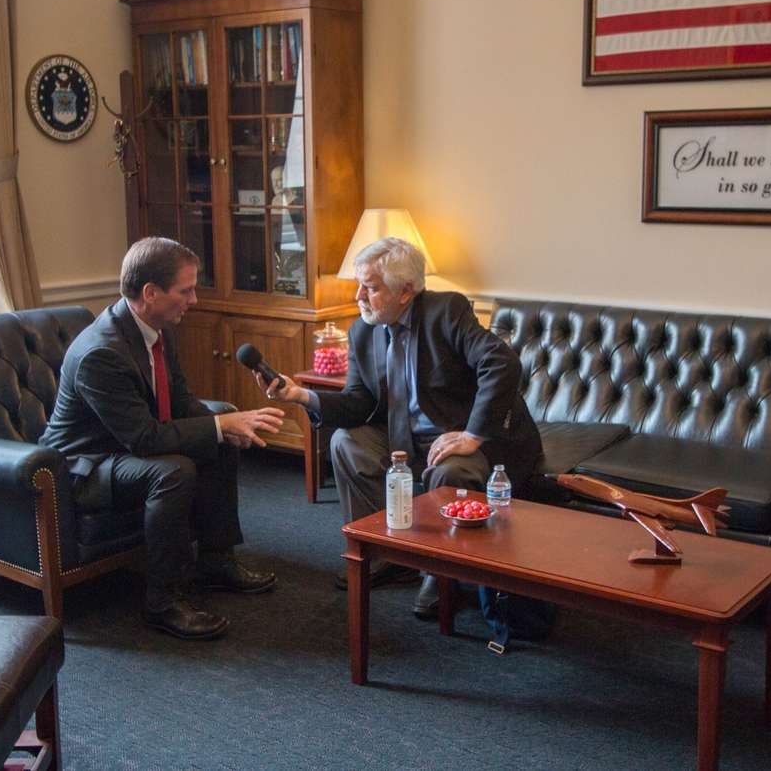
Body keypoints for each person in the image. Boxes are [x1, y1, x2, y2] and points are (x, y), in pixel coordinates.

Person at [261, 237, 543, 618]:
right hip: (403, 435)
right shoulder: (364, 330)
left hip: (459, 437)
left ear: (405, 291)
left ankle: (437, 570)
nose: (359, 295)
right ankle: (385, 553)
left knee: (450, 469)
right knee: (347, 443)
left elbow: (502, 364)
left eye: (371, 287)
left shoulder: (446, 312)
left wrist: (472, 435)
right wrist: (300, 396)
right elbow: (359, 401)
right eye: (359, 285)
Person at [39, 237, 285, 640]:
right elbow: (144, 437)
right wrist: (220, 428)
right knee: (175, 468)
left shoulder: (155, 328)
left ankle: (216, 561)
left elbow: (183, 401)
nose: (194, 299)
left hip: (126, 446)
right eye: (186, 290)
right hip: (86, 465)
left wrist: (226, 425)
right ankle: (163, 601)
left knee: (220, 422)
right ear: (151, 293)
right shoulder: (100, 352)